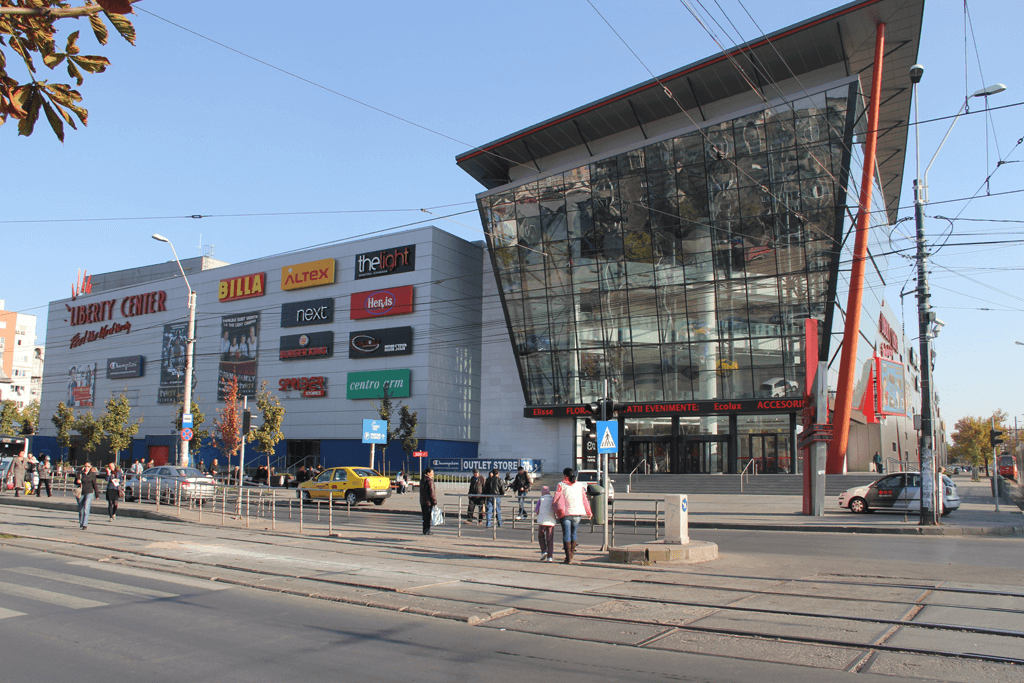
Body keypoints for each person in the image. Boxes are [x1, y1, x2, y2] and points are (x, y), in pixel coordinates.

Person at [553, 468, 592, 564]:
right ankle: (572, 554)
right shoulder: (579, 485)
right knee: (573, 533)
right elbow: (584, 499)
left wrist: (554, 509)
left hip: (565, 513)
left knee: (566, 534)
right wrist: (589, 512)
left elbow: (556, 498)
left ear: (565, 475)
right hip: (577, 513)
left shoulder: (561, 485)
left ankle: (568, 557)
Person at [75, 462, 101, 530]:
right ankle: (81, 522)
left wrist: (97, 494)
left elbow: (94, 484)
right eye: (85, 466)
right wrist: (78, 481)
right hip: (81, 492)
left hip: (89, 492)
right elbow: (75, 482)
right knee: (81, 509)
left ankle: (85, 524)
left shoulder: (92, 475)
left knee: (86, 508)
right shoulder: (80, 473)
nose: (86, 468)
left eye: (88, 466)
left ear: (90, 467)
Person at [535, 485, 556, 562]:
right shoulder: (552, 499)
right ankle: (550, 557)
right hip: (551, 521)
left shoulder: (541, 499)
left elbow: (536, 510)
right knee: (550, 538)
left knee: (541, 535)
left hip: (542, 521)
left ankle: (544, 551)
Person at [419, 467, 436, 535]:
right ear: (428, 473)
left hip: (423, 501)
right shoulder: (430, 481)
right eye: (432, 473)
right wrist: (434, 502)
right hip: (428, 502)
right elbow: (432, 493)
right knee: (428, 517)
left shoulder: (422, 480)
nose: (433, 474)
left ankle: (424, 530)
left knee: (424, 516)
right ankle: (427, 530)